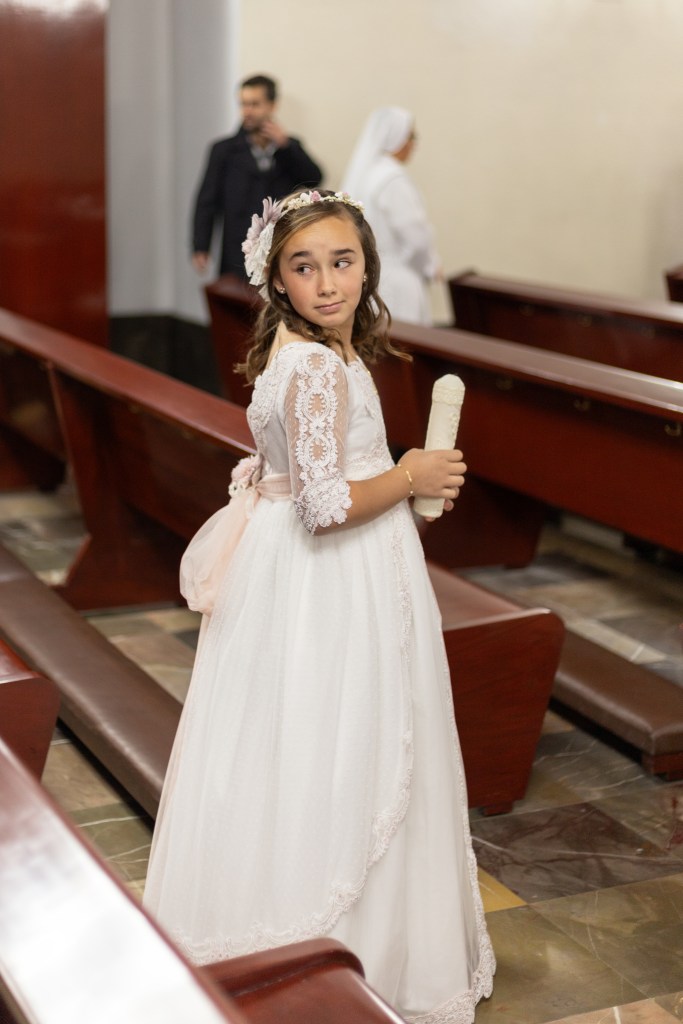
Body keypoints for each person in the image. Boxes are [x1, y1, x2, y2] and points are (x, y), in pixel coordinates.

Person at [144, 188, 495, 1024]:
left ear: (367, 266)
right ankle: (339, 944)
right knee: (346, 740)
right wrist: (409, 474)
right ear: (277, 280)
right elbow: (324, 505)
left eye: (342, 262)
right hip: (332, 576)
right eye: (304, 267)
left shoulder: (308, 350)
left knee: (294, 740)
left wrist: (401, 484)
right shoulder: (312, 367)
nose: (328, 282)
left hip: (308, 571)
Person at [191, 74, 323, 278]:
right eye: (243, 104)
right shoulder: (224, 151)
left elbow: (314, 179)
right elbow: (207, 202)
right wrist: (201, 246)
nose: (247, 111)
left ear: (272, 106)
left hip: (280, 249)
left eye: (254, 104)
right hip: (237, 251)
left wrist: (286, 146)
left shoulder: (289, 147)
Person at [342, 106, 439, 325]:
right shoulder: (392, 179)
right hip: (398, 279)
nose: (414, 144)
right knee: (404, 341)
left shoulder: (365, 174)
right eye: (411, 136)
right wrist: (429, 264)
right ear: (397, 137)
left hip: (369, 276)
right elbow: (415, 237)